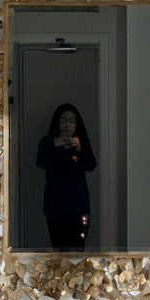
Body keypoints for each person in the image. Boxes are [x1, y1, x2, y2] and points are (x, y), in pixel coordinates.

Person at [35, 103, 97, 250]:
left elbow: (91, 165)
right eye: (63, 120)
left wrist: (80, 149)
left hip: (79, 204)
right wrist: (59, 146)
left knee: (77, 249)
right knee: (58, 249)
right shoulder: (47, 142)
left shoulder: (80, 143)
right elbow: (40, 162)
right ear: (57, 122)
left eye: (71, 121)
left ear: (77, 125)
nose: (67, 125)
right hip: (55, 204)